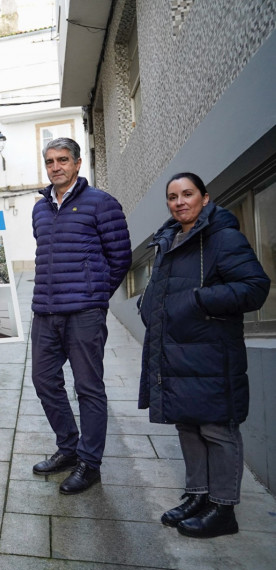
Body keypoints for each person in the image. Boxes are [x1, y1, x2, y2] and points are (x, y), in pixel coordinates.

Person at [138, 172, 269, 538]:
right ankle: (198, 496)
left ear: (205, 198)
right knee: (188, 424)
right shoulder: (171, 238)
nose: (180, 202)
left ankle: (223, 509)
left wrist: (198, 300)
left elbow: (255, 287)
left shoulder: (222, 237)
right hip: (176, 351)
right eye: (173, 196)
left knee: (217, 429)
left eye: (187, 194)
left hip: (211, 353)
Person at [30, 137, 131, 494]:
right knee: (43, 381)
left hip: (84, 313)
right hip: (45, 311)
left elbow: (121, 257)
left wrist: (95, 296)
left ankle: (90, 463)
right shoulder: (40, 208)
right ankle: (69, 448)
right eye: (50, 162)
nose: (55, 167)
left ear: (77, 164)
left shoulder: (101, 203)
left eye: (62, 160)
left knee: (88, 388)